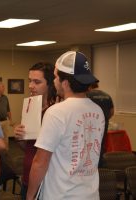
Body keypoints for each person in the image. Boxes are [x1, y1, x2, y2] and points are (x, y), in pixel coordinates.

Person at [27, 51, 105, 200]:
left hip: (62, 195)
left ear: (65, 83)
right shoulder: (98, 111)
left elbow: (40, 162)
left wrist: (30, 196)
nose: (54, 81)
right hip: (90, 195)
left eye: (56, 77)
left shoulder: (56, 112)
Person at [14, 62, 57, 200]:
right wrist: (20, 137)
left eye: (37, 82)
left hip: (46, 182)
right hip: (28, 177)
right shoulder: (31, 107)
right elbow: (29, 147)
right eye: (30, 81)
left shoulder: (55, 113)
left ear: (50, 84)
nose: (30, 86)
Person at [87, 83, 114, 167]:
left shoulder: (87, 95)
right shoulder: (107, 96)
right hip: (103, 125)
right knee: (101, 146)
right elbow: (111, 112)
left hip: (90, 126)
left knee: (89, 147)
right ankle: (101, 169)